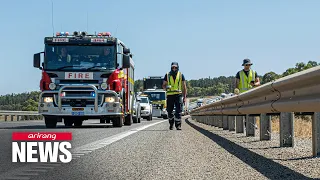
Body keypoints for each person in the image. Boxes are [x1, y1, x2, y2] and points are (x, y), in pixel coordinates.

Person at [162, 62, 187, 130]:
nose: (174, 69)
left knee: (178, 111)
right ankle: (171, 123)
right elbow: (163, 86)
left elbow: (184, 87)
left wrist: (184, 97)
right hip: (170, 95)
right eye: (173, 67)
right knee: (169, 111)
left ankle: (178, 125)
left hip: (178, 95)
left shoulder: (181, 75)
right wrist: (166, 87)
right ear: (171, 67)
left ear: (178, 67)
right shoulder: (167, 75)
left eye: (175, 67)